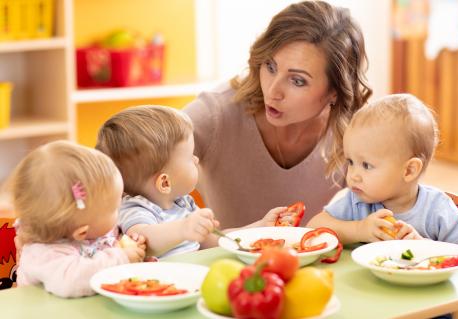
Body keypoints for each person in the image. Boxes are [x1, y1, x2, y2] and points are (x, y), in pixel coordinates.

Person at [184, 0, 372, 228]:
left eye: (297, 81)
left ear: (334, 91)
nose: (272, 92)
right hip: (222, 262)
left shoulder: (355, 132)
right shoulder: (216, 113)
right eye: (270, 67)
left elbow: (394, 203)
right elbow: (140, 157)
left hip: (308, 261)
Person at [96, 105, 285, 256]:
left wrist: (257, 228)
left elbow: (211, 241)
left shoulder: (182, 202)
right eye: (189, 156)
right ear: (165, 183)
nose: (196, 159)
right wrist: (184, 228)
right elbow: (144, 241)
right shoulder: (135, 209)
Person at [306, 94, 458, 248]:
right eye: (351, 162)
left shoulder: (438, 208)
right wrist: (358, 229)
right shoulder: (356, 202)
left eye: (366, 165)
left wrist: (423, 246)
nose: (353, 175)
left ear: (409, 170)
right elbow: (313, 227)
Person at [12, 141, 146, 298]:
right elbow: (72, 282)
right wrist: (121, 257)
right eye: (114, 209)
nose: (120, 212)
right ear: (81, 232)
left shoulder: (90, 231)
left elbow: (102, 247)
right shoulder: (42, 255)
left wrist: (126, 244)